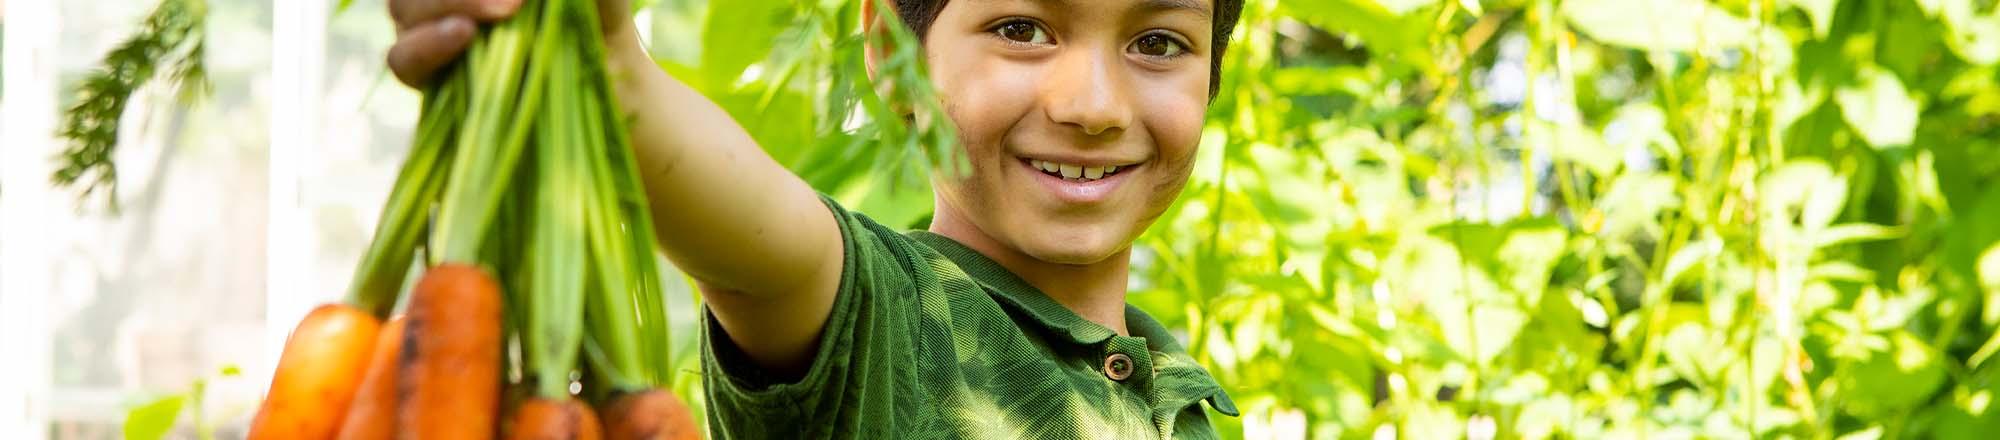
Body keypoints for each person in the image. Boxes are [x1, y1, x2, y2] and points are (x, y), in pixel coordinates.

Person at [382, 0, 1245, 437]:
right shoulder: (887, 324)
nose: (1093, 105)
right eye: (1022, 29)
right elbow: (770, 248)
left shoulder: (1187, 393)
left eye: (1159, 42)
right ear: (889, 55)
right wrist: (610, 63)